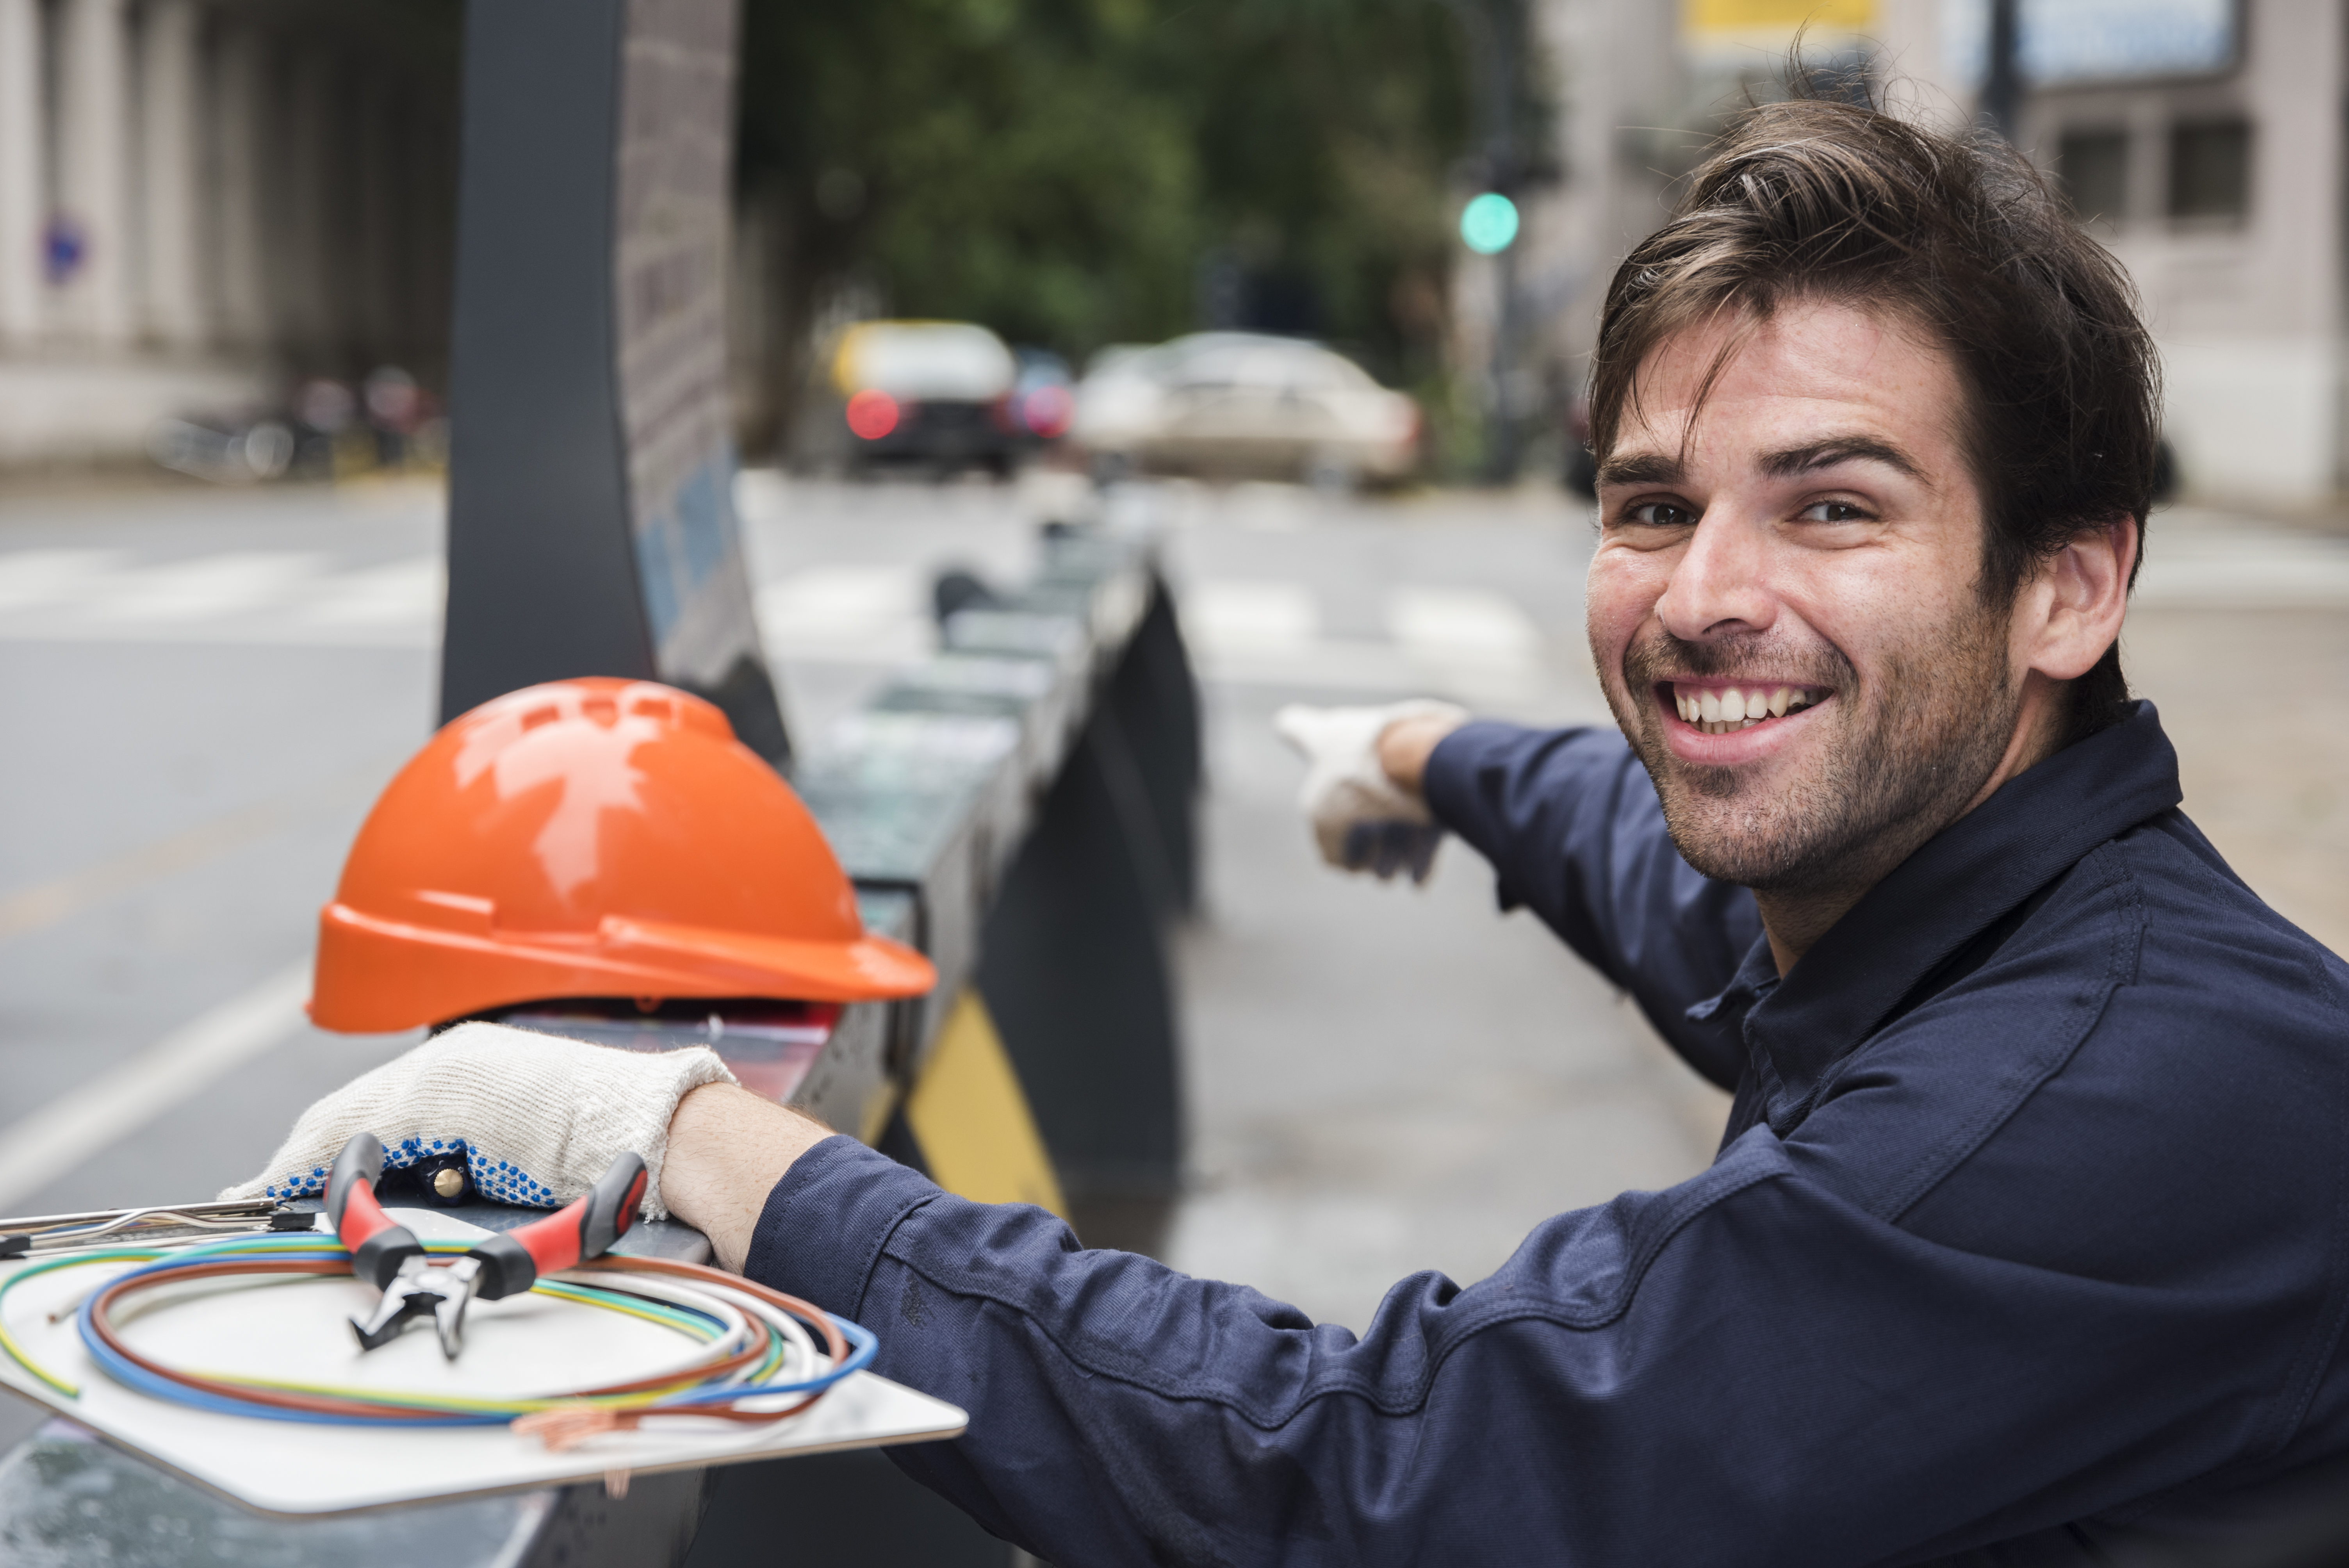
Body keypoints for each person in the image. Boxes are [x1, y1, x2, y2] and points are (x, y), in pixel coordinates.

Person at [232, 97, 2349, 1564]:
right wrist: (1434, 755)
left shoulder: (2111, 1096)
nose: (1707, 590)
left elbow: (1377, 1483)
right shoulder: (1953, 903)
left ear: (2073, 583)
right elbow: (1654, 873)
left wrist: (682, 1138)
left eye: (1837, 505)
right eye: (1649, 505)